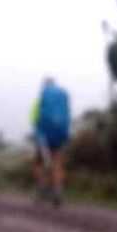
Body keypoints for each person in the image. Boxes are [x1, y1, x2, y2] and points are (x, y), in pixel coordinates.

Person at [30, 78, 71, 206]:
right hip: (60, 134)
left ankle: (41, 189)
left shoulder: (40, 99)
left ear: (44, 86)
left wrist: (37, 133)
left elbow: (34, 119)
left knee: (38, 163)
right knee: (57, 162)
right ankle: (58, 192)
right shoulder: (62, 97)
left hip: (44, 135)